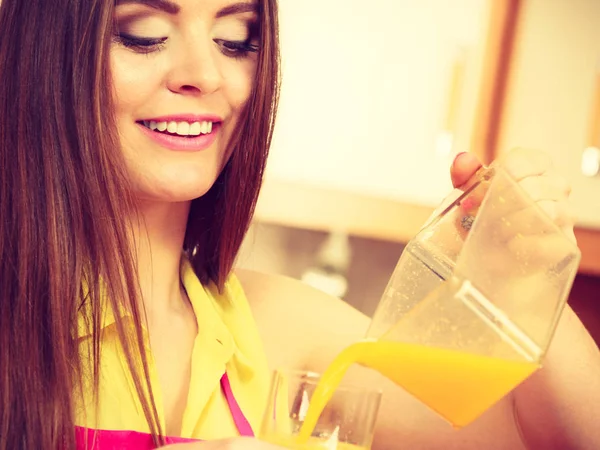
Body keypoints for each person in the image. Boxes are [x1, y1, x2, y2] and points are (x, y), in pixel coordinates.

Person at [0, 0, 598, 449]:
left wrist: (523, 271)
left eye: (237, 40)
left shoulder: (279, 330)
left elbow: (534, 435)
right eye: (144, 35)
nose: (205, 74)